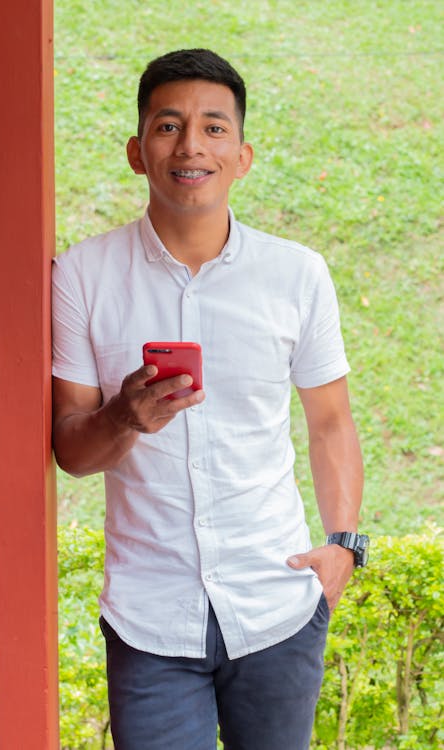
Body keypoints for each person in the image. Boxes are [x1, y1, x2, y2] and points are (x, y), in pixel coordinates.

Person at [52, 48, 367, 750]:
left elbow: (331, 422)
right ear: (137, 152)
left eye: (214, 128)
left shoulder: (297, 275)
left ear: (242, 155)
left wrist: (344, 545)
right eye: (168, 126)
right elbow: (72, 448)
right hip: (150, 618)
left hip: (276, 607)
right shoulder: (82, 276)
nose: (191, 145)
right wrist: (122, 417)